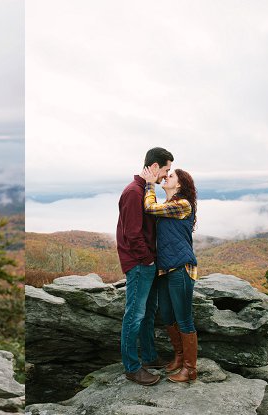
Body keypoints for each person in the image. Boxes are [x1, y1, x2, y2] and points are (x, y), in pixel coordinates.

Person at [116, 147, 173, 386]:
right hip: (140, 264)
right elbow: (132, 234)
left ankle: (149, 357)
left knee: (148, 313)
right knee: (135, 315)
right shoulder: (133, 192)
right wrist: (147, 259)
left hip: (147, 262)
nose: (166, 176)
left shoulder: (144, 190)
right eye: (166, 170)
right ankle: (132, 367)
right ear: (154, 167)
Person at [140, 166, 199, 383]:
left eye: (171, 176)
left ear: (180, 184)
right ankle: (179, 357)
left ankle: (190, 369)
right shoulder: (169, 205)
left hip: (181, 268)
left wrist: (149, 183)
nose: (166, 177)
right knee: (167, 315)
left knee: (183, 318)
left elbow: (149, 207)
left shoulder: (182, 205)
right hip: (165, 269)